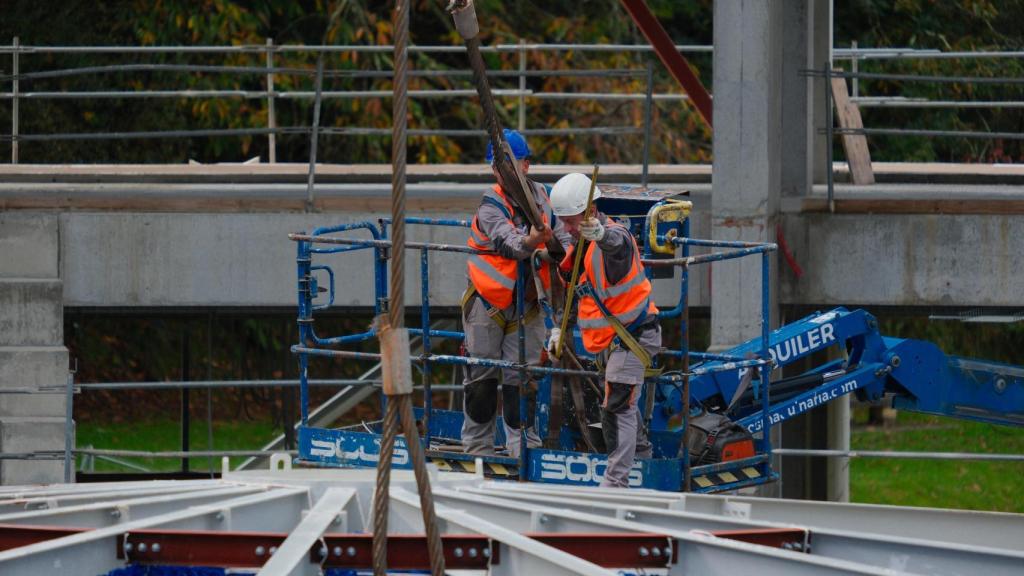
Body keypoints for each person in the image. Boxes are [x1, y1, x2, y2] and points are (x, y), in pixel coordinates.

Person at [461, 129, 573, 458]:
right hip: (489, 304)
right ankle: (476, 452)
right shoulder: (491, 204)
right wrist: (535, 243)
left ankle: (523, 452)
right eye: (498, 167)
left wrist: (554, 250)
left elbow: (565, 242)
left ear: (526, 165)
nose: (504, 173)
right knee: (480, 383)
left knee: (521, 384)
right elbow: (509, 246)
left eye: (511, 165)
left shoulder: (543, 198)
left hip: (527, 306)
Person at [546, 172, 661, 488]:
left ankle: (615, 483)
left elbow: (617, 244)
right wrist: (561, 330)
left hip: (635, 335)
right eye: (565, 222)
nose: (566, 229)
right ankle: (644, 459)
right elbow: (579, 295)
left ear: (589, 212)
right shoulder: (579, 250)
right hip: (614, 342)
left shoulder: (613, 237)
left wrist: (599, 235)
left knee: (616, 407)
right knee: (622, 403)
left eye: (570, 221)